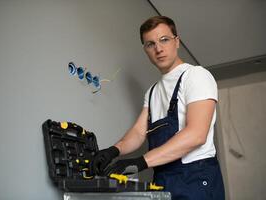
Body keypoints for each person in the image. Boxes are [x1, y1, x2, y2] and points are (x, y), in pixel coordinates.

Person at [92, 16, 225, 200]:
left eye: (164, 40)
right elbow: (139, 133)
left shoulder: (196, 76)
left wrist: (140, 162)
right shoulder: (152, 92)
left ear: (176, 41)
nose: (159, 49)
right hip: (162, 179)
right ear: (145, 50)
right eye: (150, 44)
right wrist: (114, 150)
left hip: (195, 178)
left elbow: (196, 135)